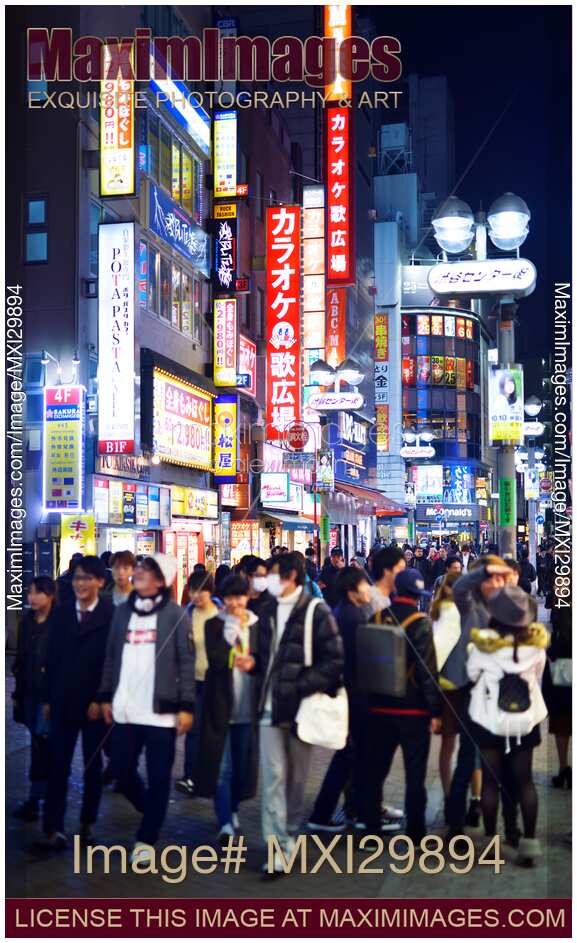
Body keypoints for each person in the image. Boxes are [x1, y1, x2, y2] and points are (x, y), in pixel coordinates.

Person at [98, 554, 195, 863]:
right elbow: (111, 655)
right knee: (122, 770)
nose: (138, 574)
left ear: (161, 580)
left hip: (161, 712)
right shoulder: (123, 612)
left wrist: (186, 706)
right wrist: (104, 696)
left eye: (146, 570)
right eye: (138, 569)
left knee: (158, 776)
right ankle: (149, 808)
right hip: (125, 709)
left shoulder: (175, 614)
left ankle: (147, 837)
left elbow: (187, 661)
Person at [257, 552, 343, 877]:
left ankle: (289, 836)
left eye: (274, 574)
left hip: (299, 709)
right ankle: (274, 846)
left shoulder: (315, 612)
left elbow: (334, 661)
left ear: (291, 576)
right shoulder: (264, 611)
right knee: (273, 779)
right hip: (268, 709)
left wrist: (299, 685)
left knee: (295, 779)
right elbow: (258, 657)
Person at [358, 568, 441, 844]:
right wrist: (436, 711)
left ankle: (370, 829)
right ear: (416, 596)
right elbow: (428, 672)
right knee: (415, 775)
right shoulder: (421, 623)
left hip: (378, 709)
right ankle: (416, 833)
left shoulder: (377, 616)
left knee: (374, 771)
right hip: (413, 712)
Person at [467, 586, 548, 867]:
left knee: (490, 782)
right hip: (525, 721)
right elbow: (537, 676)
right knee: (524, 782)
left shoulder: (482, 644)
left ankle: (491, 844)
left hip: (490, 720)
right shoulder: (536, 645)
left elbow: (472, 673)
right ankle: (529, 844)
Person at [40, 557, 114, 850]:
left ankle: (87, 824)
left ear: (100, 582)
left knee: (93, 767)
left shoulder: (110, 615)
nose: (81, 583)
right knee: (58, 764)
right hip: (63, 700)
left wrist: (103, 698)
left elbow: (113, 661)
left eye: (87, 578)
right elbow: (50, 658)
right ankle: (52, 827)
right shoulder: (61, 614)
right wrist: (47, 698)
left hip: (95, 704)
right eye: (77, 578)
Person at [444, 556, 511, 838]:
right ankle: (456, 825)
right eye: (489, 579)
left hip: (503, 695)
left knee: (506, 763)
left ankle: (513, 829)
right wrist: (485, 570)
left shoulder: (510, 609)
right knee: (467, 760)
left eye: (499, 579)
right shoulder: (468, 604)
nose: (494, 584)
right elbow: (460, 586)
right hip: (473, 691)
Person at [307, 566, 376, 832]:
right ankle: (332, 813)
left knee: (348, 755)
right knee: (349, 755)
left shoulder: (343, 613)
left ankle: (340, 809)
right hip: (353, 697)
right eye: (363, 586)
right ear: (351, 590)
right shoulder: (353, 618)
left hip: (349, 694)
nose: (368, 590)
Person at [195, 575, 260, 842]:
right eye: (230, 597)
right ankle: (224, 822)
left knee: (241, 765)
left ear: (247, 597)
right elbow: (217, 660)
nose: (235, 603)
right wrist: (229, 630)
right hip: (219, 705)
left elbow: (264, 659)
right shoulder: (214, 625)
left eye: (240, 597)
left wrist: (254, 662)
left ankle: (233, 809)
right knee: (222, 767)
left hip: (247, 706)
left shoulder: (257, 625)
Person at [12, 577, 57, 822]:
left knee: (42, 746)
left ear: (50, 595)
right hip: (29, 692)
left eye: (37, 593)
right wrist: (17, 693)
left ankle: (38, 798)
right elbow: (21, 658)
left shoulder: (59, 623)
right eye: (29, 593)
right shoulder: (27, 621)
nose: (31, 598)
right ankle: (38, 796)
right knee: (38, 744)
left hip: (47, 697)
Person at [175, 571, 221, 797]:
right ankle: (190, 776)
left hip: (216, 682)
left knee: (212, 731)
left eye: (201, 590)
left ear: (210, 591)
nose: (196, 595)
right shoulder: (187, 615)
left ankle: (210, 776)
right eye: (192, 590)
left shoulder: (222, 614)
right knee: (193, 731)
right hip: (194, 681)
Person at [430, 571, 463, 809]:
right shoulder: (453, 612)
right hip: (460, 687)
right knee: (471, 749)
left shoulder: (437, 611)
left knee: (448, 745)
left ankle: (449, 793)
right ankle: (471, 799)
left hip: (446, 686)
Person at [543, 600, 572, 789]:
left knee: (562, 726)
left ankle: (563, 769)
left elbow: (553, 650)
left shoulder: (564, 611)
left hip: (563, 677)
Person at [366, 546, 406, 617]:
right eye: (400, 569)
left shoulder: (389, 598)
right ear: (386, 570)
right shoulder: (372, 600)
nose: (403, 573)